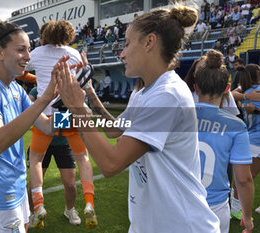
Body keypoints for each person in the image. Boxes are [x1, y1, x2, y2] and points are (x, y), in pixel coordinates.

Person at [55, 4, 220, 232]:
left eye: (127, 43)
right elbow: (114, 130)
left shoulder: (167, 95)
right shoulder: (145, 93)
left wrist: (77, 108)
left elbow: (111, 164)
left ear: (149, 42)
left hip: (182, 225)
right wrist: (89, 91)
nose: (122, 53)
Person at [0, 17, 61, 233]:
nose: (28, 57)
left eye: (29, 50)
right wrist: (44, 99)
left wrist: (71, 108)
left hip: (17, 191)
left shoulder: (16, 90)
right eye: (21, 50)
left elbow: (47, 126)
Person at [26, 20, 98, 229]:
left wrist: (35, 77)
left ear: (45, 34)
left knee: (35, 160)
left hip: (45, 114)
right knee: (83, 157)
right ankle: (89, 202)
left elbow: (21, 69)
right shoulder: (74, 54)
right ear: (69, 34)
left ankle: (38, 205)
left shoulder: (37, 53)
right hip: (67, 114)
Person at [194, 49, 254, 233]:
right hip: (215, 209)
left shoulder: (176, 116)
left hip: (179, 205)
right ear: (227, 89)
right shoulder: (236, 126)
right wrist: (247, 215)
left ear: (196, 87)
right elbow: (243, 180)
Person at [26, 87, 81, 227]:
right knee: (34, 183)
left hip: (63, 143)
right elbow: (27, 104)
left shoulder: (70, 90)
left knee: (70, 184)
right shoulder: (38, 89)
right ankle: (32, 212)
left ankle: (70, 210)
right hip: (41, 140)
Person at [230, 64, 260, 219]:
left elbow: (233, 94)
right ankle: (235, 207)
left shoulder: (245, 91)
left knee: (246, 176)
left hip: (252, 137)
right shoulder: (255, 91)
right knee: (247, 177)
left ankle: (234, 205)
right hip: (256, 140)